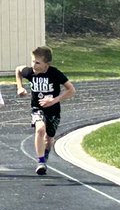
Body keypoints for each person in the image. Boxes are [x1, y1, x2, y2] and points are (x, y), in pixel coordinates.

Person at [16, 45, 76, 175]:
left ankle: (46, 153)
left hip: (53, 111)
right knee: (40, 128)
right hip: (37, 108)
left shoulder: (55, 73)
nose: (34, 65)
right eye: (32, 61)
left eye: (38, 63)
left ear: (46, 64)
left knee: (49, 139)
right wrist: (20, 87)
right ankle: (41, 161)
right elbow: (18, 70)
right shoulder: (30, 72)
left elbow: (71, 90)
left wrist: (54, 100)